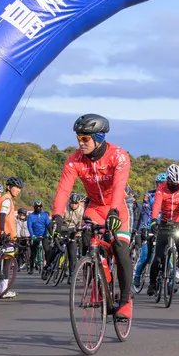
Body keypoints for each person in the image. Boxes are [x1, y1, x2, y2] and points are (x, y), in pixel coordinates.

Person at [51, 114, 134, 319]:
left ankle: (125, 301)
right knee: (87, 240)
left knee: (120, 249)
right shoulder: (74, 161)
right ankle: (98, 282)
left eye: (85, 139)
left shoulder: (118, 156)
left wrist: (114, 211)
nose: (80, 143)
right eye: (78, 138)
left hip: (118, 206)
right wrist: (57, 217)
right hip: (95, 207)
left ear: (99, 137)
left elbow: (118, 186)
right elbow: (63, 191)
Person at [148, 164, 179, 305]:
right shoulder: (161, 188)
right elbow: (156, 204)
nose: (175, 185)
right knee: (157, 258)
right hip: (164, 223)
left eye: (177, 183)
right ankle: (152, 283)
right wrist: (153, 221)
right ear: (168, 180)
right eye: (172, 183)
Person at [132, 173, 166, 288]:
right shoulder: (149, 195)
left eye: (163, 183)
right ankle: (137, 275)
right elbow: (146, 213)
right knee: (147, 256)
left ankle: (170, 280)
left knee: (167, 255)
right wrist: (145, 228)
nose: (160, 185)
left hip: (164, 226)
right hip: (149, 225)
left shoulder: (170, 195)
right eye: (158, 183)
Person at [0, 176, 23, 299]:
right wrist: (2, 231)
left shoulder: (3, 199)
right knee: (6, 262)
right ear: (9, 187)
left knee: (0, 262)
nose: (18, 190)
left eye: (19, 188)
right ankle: (3, 290)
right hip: (5, 236)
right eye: (16, 187)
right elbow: (2, 215)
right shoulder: (7, 200)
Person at [46, 193, 85, 277]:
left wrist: (79, 232)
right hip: (62, 229)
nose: (73, 205)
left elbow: (81, 223)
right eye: (72, 203)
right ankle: (47, 266)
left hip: (73, 231)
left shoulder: (81, 210)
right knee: (55, 249)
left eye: (75, 203)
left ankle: (71, 274)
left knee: (72, 254)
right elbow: (59, 217)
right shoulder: (64, 207)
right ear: (69, 202)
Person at [27, 200, 51, 274]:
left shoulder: (45, 215)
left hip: (44, 235)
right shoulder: (30, 216)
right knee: (33, 252)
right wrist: (32, 235)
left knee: (47, 250)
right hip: (34, 236)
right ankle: (31, 267)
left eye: (40, 207)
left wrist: (49, 233)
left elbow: (48, 225)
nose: (38, 208)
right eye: (37, 207)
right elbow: (29, 226)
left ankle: (48, 266)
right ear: (34, 207)